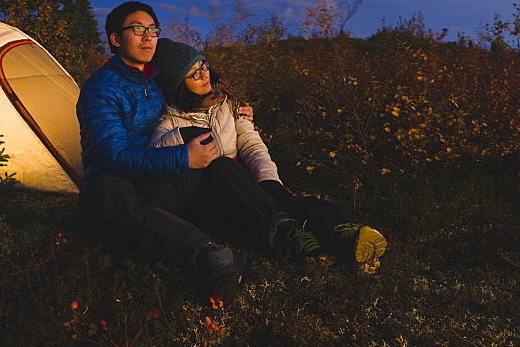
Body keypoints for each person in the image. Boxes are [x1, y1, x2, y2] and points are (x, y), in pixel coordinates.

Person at [77, 1, 329, 302]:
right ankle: (208, 254)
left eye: (153, 30)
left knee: (212, 153)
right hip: (118, 187)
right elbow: (115, 157)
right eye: (137, 30)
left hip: (157, 184)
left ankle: (285, 230)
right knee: (107, 191)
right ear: (116, 40)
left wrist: (226, 99)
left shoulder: (158, 79)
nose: (148, 37)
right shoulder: (100, 90)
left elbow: (191, 79)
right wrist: (182, 157)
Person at [150, 38, 388, 274]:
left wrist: (269, 179)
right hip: (215, 199)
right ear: (179, 86)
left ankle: (343, 232)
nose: (204, 75)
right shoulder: (170, 121)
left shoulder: (227, 103)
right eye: (194, 74)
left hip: (246, 188)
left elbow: (251, 144)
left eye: (203, 65)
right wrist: (182, 137)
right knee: (221, 165)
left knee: (282, 198)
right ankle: (297, 240)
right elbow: (154, 154)